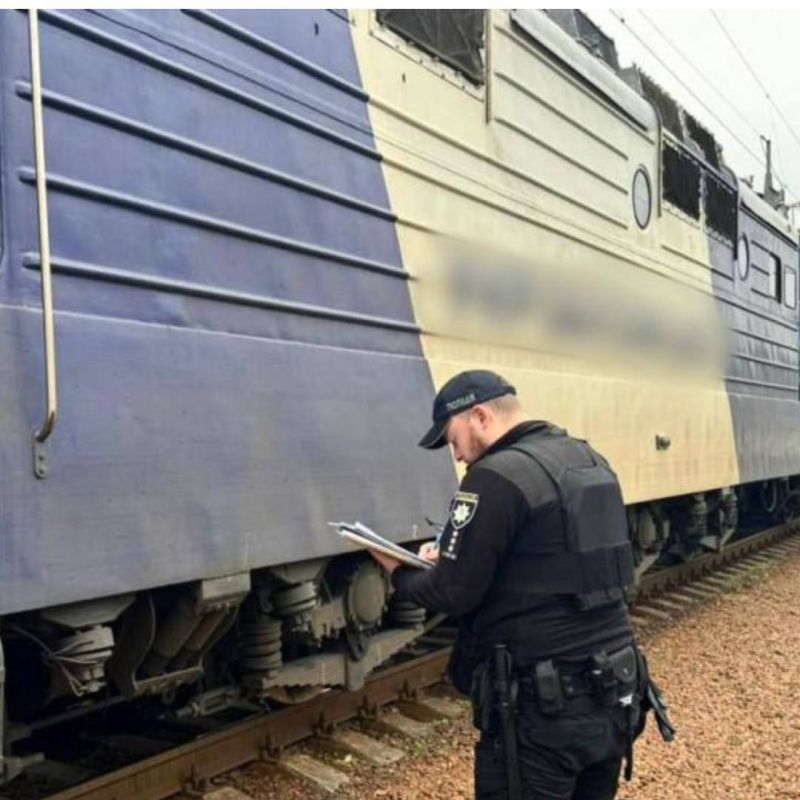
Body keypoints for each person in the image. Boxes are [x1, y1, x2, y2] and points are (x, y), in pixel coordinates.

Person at [369, 370, 673, 800]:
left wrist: (397, 570)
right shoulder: (589, 459)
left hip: (544, 711)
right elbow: (559, 560)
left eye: (453, 439)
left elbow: (453, 593)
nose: (457, 455)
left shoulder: (494, 476)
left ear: (479, 416)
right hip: (616, 690)